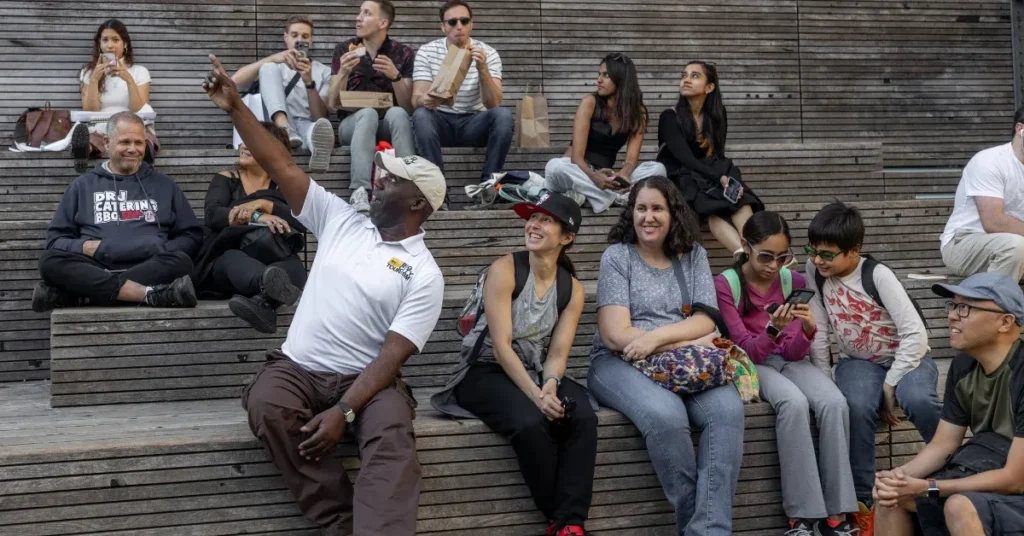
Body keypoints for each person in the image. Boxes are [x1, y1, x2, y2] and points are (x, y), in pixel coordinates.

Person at [203, 54, 446, 535]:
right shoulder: (340, 218)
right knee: (267, 404)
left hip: (367, 382)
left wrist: (345, 410)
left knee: (392, 433)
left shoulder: (424, 272)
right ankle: (339, 524)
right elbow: (281, 163)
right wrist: (235, 108)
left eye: (391, 179)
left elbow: (390, 360)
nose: (378, 180)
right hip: (300, 369)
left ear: (417, 203)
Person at [586, 175, 744, 535]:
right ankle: (694, 524)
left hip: (683, 360)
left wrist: (660, 339)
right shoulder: (618, 256)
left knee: (728, 412)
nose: (648, 217)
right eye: (640, 208)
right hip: (618, 362)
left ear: (673, 213)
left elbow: (707, 321)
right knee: (667, 415)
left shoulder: (693, 255)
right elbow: (615, 333)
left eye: (657, 208)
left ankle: (711, 531)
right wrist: (679, 339)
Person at [431, 193, 594, 536]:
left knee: (581, 413)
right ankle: (561, 520)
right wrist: (538, 396)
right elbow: (502, 347)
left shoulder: (572, 289)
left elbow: (557, 355)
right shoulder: (505, 269)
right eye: (532, 218)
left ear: (567, 237)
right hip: (483, 370)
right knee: (530, 421)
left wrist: (549, 385)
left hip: (534, 370)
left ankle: (572, 523)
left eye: (545, 220)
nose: (533, 225)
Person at [715, 211, 858, 536]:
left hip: (789, 361)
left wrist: (806, 331)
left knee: (834, 403)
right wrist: (773, 331)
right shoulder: (727, 284)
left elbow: (794, 353)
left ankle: (839, 513)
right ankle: (803, 516)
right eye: (765, 256)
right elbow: (748, 351)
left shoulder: (793, 281)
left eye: (783, 257)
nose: (773, 265)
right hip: (755, 365)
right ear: (745, 246)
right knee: (792, 403)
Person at [806, 201, 944, 535]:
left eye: (827, 254)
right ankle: (863, 503)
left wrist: (891, 383)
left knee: (920, 400)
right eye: (813, 251)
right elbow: (821, 331)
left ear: (854, 250)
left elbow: (916, 334)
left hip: (907, 357)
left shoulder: (876, 275)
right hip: (858, 363)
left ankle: (952, 470)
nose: (817, 260)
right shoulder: (816, 274)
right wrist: (825, 381)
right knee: (854, 405)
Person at [874, 272, 1024, 536]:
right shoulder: (964, 366)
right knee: (891, 496)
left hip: (1013, 481)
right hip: (989, 465)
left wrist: (927, 486)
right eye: (953, 306)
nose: (952, 315)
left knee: (960, 505)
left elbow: (1014, 479)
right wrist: (897, 477)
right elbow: (943, 443)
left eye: (966, 308)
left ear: (1005, 321)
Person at [34, 111, 201, 312]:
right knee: (50, 262)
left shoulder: (165, 186)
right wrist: (84, 247)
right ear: (106, 142)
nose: (133, 149)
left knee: (181, 262)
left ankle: (85, 294)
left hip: (149, 265)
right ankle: (147, 294)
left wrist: (161, 248)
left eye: (139, 143)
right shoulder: (82, 186)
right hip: (95, 266)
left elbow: (191, 235)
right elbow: (55, 241)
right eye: (125, 142)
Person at [192, 122, 307, 334]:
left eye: (251, 141)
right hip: (223, 259)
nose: (244, 146)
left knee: (296, 268)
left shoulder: (283, 187)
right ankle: (268, 289)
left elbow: (304, 220)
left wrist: (267, 204)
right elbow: (213, 215)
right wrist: (257, 216)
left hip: (268, 254)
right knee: (233, 258)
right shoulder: (227, 179)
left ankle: (263, 302)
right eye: (243, 140)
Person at [411, 0, 514, 207]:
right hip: (440, 121)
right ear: (443, 26)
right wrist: (426, 99)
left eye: (464, 20)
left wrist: (483, 69)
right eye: (452, 22)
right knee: (421, 115)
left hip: (474, 122)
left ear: (471, 24)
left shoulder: (488, 53)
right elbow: (415, 99)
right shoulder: (428, 51)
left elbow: (493, 103)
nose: (459, 26)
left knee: (503, 116)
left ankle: (486, 189)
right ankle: (437, 193)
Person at [656, 61, 762, 256]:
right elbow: (684, 158)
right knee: (714, 206)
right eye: (684, 75)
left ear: (710, 87)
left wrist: (728, 179)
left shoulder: (716, 115)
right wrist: (719, 178)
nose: (686, 80)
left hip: (704, 177)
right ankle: (750, 256)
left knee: (737, 196)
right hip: (680, 178)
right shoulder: (669, 117)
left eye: (695, 76)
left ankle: (756, 251)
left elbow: (717, 155)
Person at [543, 53, 666, 213]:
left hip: (605, 178)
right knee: (554, 167)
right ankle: (618, 198)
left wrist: (623, 175)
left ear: (621, 79)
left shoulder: (638, 111)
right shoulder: (589, 103)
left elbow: (631, 159)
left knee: (657, 169)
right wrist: (594, 177)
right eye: (599, 74)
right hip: (577, 172)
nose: (598, 80)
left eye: (605, 75)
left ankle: (594, 196)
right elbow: (576, 157)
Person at [328, 0, 416, 213]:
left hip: (387, 124)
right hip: (352, 125)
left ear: (382, 22)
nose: (358, 18)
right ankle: (359, 191)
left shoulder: (402, 53)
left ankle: (409, 186)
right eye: (360, 13)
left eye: (366, 13)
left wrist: (395, 77)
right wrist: (343, 73)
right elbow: (331, 104)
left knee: (397, 112)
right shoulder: (344, 50)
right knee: (366, 114)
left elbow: (409, 108)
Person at [231, 15, 335, 173]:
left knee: (318, 128)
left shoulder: (324, 72)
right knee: (267, 68)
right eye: (294, 35)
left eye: (305, 36)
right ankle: (285, 127)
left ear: (311, 40)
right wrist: (273, 58)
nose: (299, 40)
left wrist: (309, 83)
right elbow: (234, 82)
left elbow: (320, 116)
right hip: (278, 125)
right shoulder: (275, 66)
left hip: (307, 124)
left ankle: (316, 148)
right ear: (285, 38)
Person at [940, 105, 1024, 282]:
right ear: (1020, 129)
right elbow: (993, 222)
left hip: (1013, 247)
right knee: (1015, 246)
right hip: (962, 244)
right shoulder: (990, 161)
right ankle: (991, 308)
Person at [70, 19, 160, 173]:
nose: (109, 45)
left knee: (140, 137)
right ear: (99, 44)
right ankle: (84, 150)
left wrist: (128, 79)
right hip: (101, 126)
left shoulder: (140, 71)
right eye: (105, 40)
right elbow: (90, 109)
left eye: (115, 40)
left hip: (131, 125)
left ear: (125, 44)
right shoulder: (88, 72)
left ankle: (146, 151)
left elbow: (140, 108)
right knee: (95, 137)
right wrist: (94, 80)